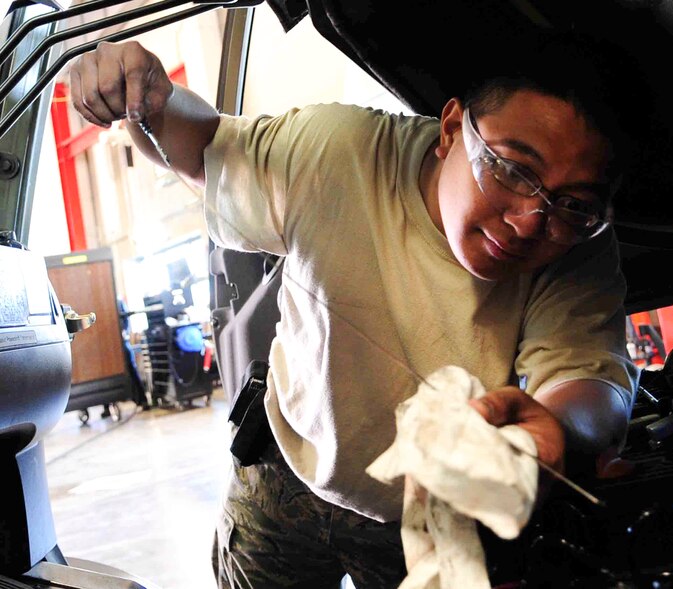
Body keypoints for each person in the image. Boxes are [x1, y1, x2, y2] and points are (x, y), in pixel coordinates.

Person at [69, 35, 639, 588]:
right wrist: (148, 95)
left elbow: (586, 374)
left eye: (572, 203)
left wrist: (557, 427)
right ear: (450, 130)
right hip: (281, 476)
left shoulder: (578, 246)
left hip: (428, 517)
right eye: (512, 170)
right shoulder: (338, 152)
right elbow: (203, 149)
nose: (529, 222)